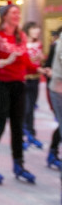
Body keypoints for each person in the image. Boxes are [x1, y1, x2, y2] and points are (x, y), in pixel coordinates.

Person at [0, 3, 44, 185]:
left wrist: (40, 69)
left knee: (18, 126)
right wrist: (4, 61)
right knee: (0, 124)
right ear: (4, 16)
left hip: (18, 84)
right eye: (13, 12)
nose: (17, 15)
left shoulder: (20, 36)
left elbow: (25, 61)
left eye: (18, 13)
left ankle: (19, 165)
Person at [22, 21, 45, 149]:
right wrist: (35, 59)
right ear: (28, 30)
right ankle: (23, 134)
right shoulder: (22, 44)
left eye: (38, 28)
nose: (37, 31)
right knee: (26, 108)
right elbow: (23, 61)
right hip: (24, 79)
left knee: (31, 108)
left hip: (35, 79)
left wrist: (41, 59)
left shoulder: (39, 44)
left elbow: (40, 60)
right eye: (34, 28)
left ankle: (31, 133)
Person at [45, 27, 62, 170]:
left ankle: (53, 152)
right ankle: (53, 153)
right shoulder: (58, 45)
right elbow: (48, 66)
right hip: (58, 90)